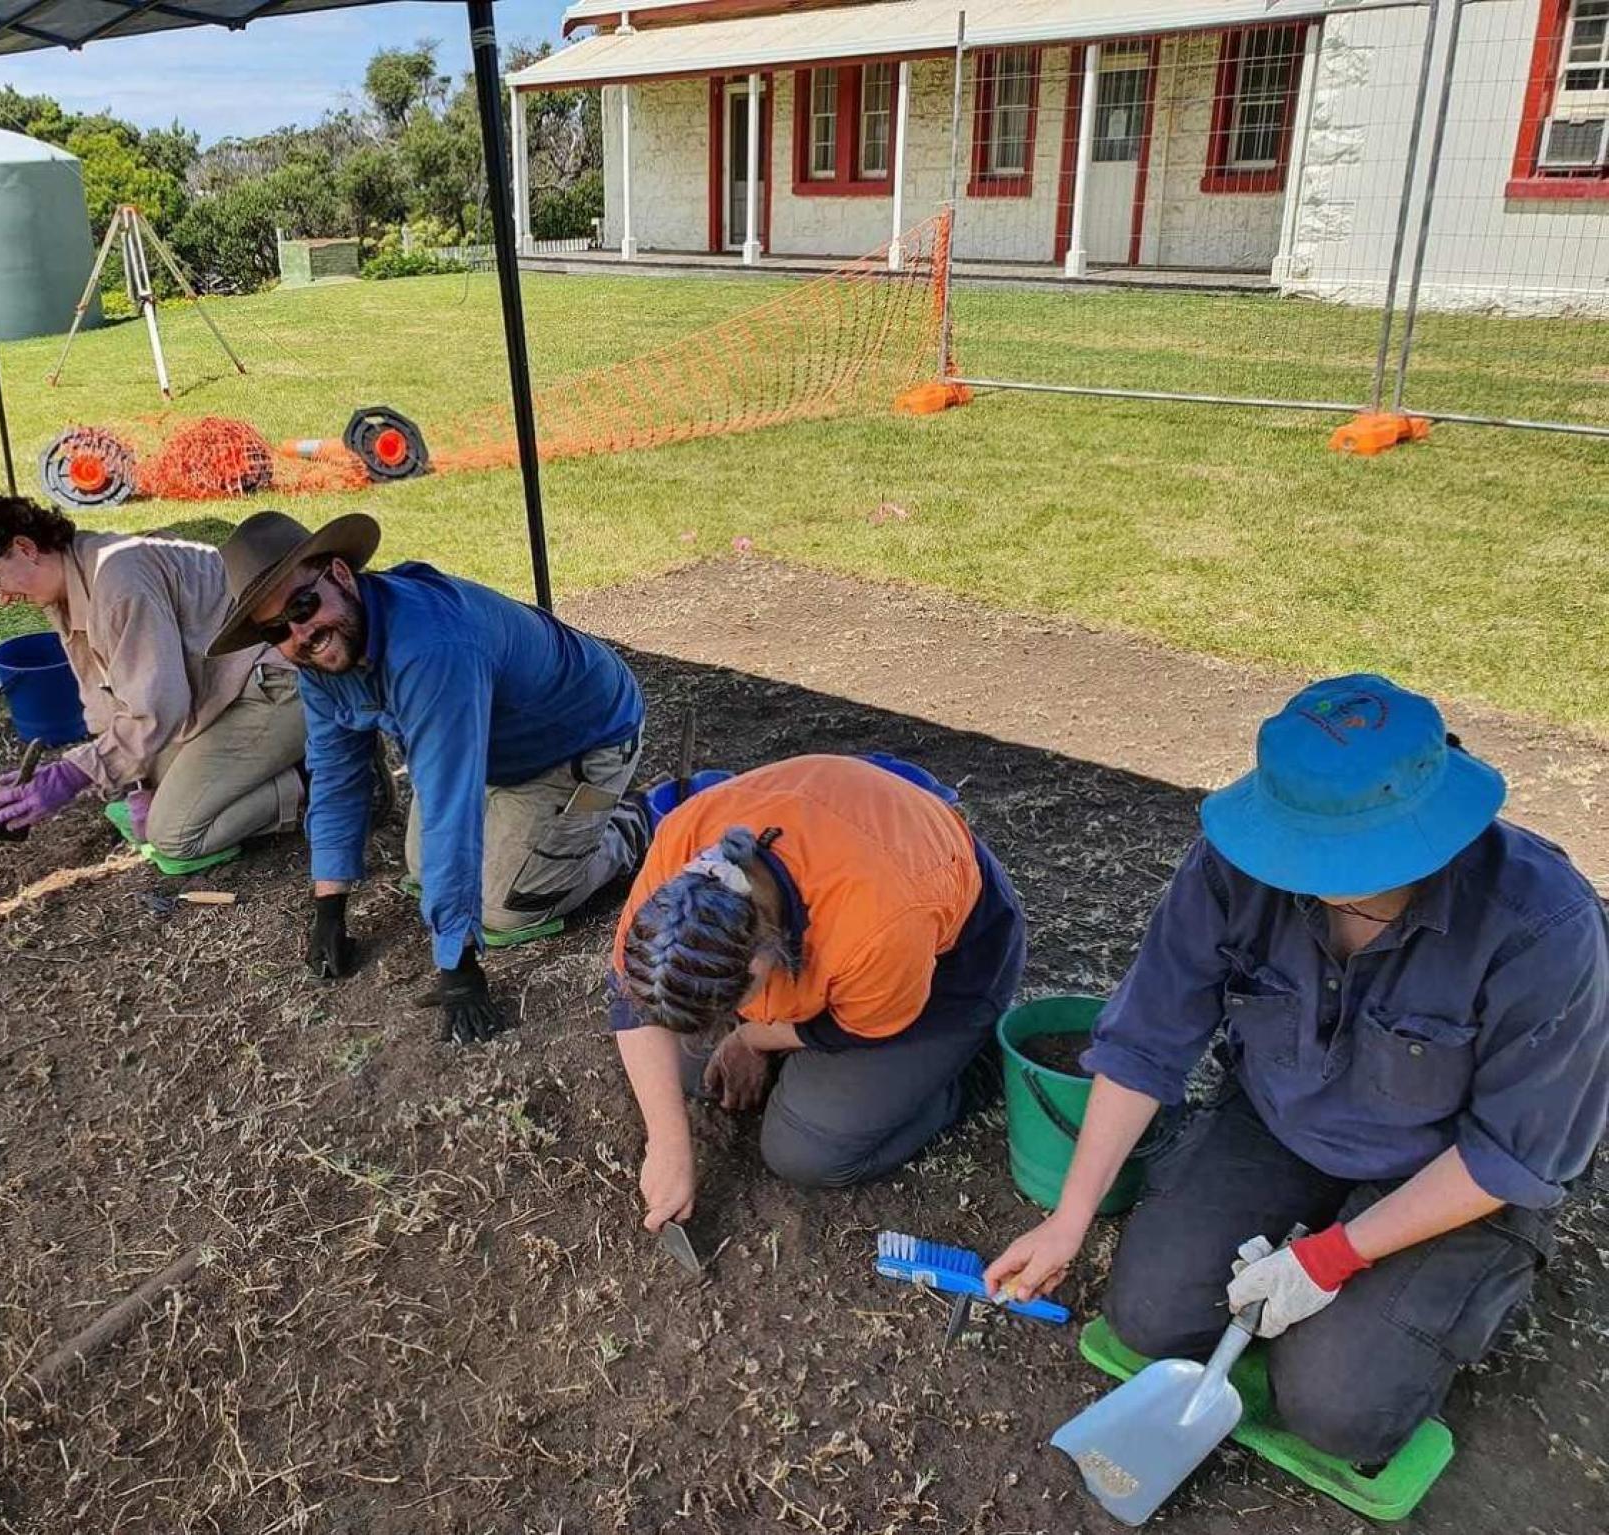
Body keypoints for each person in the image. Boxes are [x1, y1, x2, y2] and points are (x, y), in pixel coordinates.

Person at [986, 675, 1608, 1467]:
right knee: (1149, 1316)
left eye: (1336, 856)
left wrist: (1332, 1254)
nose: (1297, 874)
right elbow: (1146, 1039)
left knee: (1337, 1409)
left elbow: (1512, 1153)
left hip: (1448, 1172)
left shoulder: (1545, 926)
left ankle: (1474, 1278)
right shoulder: (1235, 866)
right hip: (1283, 1120)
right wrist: (1069, 1217)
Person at [211, 510, 650, 1045]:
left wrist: (458, 967)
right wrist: (329, 905)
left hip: (583, 740)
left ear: (341, 576)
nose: (300, 633)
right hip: (489, 746)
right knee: (421, 870)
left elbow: (449, 808)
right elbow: (335, 772)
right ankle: (556, 831)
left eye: (302, 605)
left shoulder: (430, 647)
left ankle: (631, 826)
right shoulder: (321, 660)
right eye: (276, 628)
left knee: (507, 911)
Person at [608, 754, 1026, 1226]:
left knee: (805, 1152)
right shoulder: (679, 849)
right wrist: (666, 1143)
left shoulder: (877, 924)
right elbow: (630, 998)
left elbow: (854, 1028)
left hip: (951, 965)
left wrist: (752, 1039)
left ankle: (974, 1066)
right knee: (687, 1073)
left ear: (766, 963)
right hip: (836, 857)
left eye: (735, 1007)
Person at [0, 495, 304, 859]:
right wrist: (137, 784)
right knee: (159, 777)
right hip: (225, 691)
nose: (1, 599)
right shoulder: (68, 583)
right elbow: (109, 697)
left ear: (25, 547)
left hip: (277, 684)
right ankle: (268, 769)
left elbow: (160, 710)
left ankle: (306, 779)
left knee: (174, 835)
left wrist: (71, 776)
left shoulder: (117, 581)